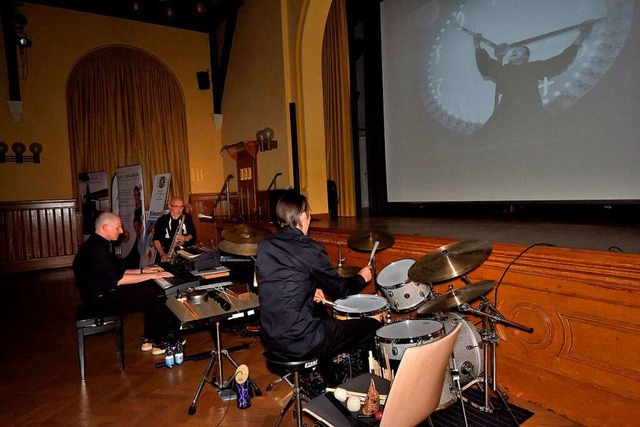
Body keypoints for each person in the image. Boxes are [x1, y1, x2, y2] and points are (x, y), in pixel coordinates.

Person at [255, 192, 379, 376]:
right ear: (301, 216)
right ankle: (366, 384)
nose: (310, 217)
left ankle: (331, 378)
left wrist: (309, 289)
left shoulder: (264, 245)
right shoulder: (309, 248)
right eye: (309, 213)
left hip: (271, 338)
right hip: (300, 341)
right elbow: (340, 290)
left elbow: (279, 282)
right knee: (370, 327)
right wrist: (361, 277)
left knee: (323, 317)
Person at [73, 212, 180, 354]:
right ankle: (159, 341)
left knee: (150, 287)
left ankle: (150, 339)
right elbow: (119, 279)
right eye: (118, 228)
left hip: (101, 294)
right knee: (155, 294)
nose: (122, 231)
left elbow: (119, 271)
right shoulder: (97, 249)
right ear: (105, 228)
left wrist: (144, 272)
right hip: (100, 301)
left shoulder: (97, 243)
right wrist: (155, 275)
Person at [473, 20, 593, 141]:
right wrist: (477, 45)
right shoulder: (503, 70)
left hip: (529, 109)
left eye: (519, 51)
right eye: (513, 51)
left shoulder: (533, 68)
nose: (514, 52)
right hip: (506, 111)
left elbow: (559, 60)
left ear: (526, 57)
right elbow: (486, 66)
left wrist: (582, 35)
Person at [152, 197, 197, 262]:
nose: (179, 209)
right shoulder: (162, 220)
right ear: (170, 206)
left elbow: (193, 234)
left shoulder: (187, 217)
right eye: (176, 207)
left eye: (181, 207)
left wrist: (185, 238)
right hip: (167, 252)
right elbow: (156, 239)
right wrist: (162, 253)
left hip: (185, 252)